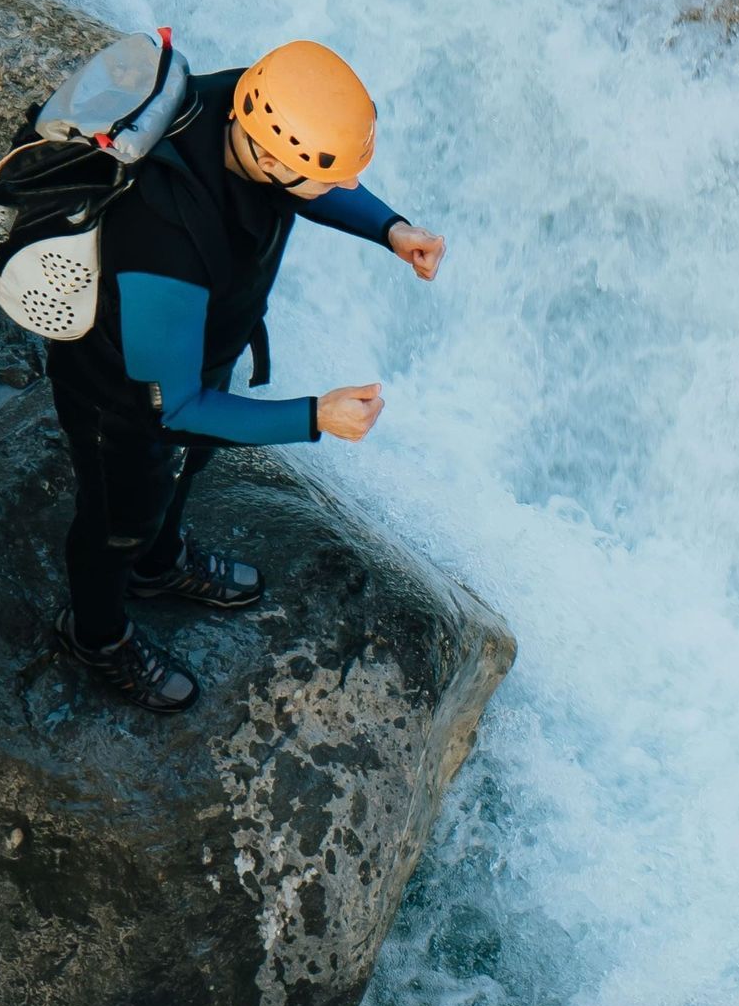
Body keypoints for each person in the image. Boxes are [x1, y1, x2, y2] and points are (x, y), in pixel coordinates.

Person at [47, 39, 444, 712]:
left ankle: (158, 563)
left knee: (186, 468)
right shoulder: (162, 237)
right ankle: (97, 632)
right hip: (121, 393)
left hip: (200, 348)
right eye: (330, 176)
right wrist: (316, 416)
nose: (346, 186)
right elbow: (174, 409)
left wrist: (390, 228)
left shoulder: (241, 103)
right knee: (117, 516)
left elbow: (311, 180)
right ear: (265, 154)